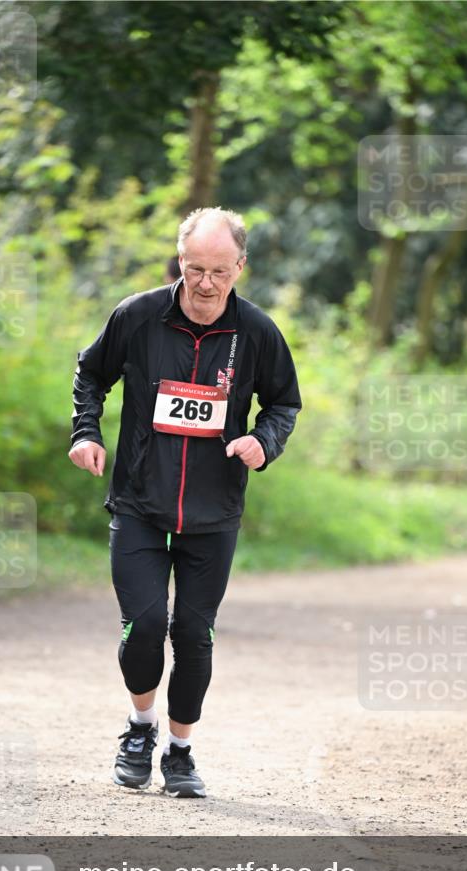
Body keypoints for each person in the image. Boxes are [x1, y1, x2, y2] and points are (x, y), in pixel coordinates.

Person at [68, 207, 301, 798]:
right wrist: (86, 432)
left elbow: (283, 404)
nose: (204, 283)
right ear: (180, 261)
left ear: (240, 267)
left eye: (219, 271)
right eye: (194, 268)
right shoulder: (138, 316)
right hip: (140, 504)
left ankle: (180, 752)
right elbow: (90, 373)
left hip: (213, 511)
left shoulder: (258, 334)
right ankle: (139, 729)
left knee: (194, 635)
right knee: (145, 626)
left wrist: (263, 441)